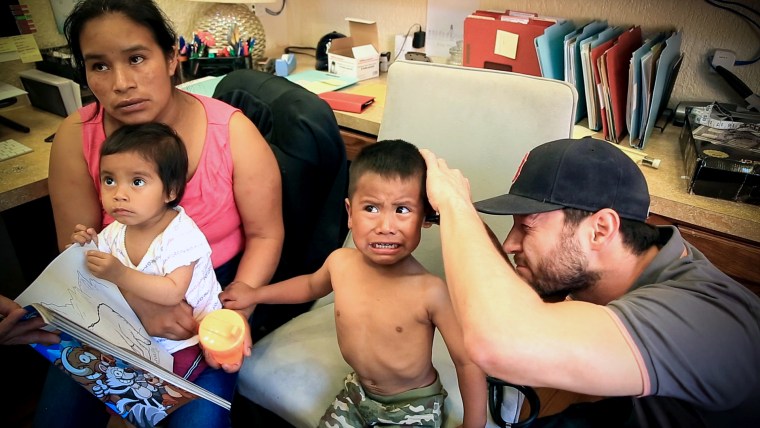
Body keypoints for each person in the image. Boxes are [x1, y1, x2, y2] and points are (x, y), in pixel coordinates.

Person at [37, 0, 283, 426]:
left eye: (136, 58)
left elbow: (265, 235)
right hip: (110, 291)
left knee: (198, 421)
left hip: (207, 296)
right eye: (99, 66)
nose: (121, 83)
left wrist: (232, 312)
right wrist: (137, 303)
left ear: (171, 57)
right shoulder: (76, 135)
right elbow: (74, 245)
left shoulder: (234, 133)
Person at [420, 136, 760, 427]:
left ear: (600, 230)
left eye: (527, 227)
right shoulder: (642, 260)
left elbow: (500, 342)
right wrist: (456, 219)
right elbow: (514, 305)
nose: (509, 243)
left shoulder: (699, 322)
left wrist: (456, 206)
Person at [221, 140, 487, 427]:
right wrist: (255, 293)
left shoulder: (430, 291)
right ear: (349, 213)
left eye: (403, 210)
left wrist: (475, 424)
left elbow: (467, 361)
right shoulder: (340, 263)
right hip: (357, 393)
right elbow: (310, 286)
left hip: (412, 405)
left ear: (424, 217)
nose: (386, 226)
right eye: (371, 208)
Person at [70, 122, 223, 382]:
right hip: (140, 334)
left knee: (169, 385)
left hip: (189, 337)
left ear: (171, 190)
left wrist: (118, 273)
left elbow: (173, 291)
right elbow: (93, 271)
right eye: (109, 180)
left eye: (137, 181)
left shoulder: (181, 235)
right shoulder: (116, 230)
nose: (119, 194)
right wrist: (82, 248)